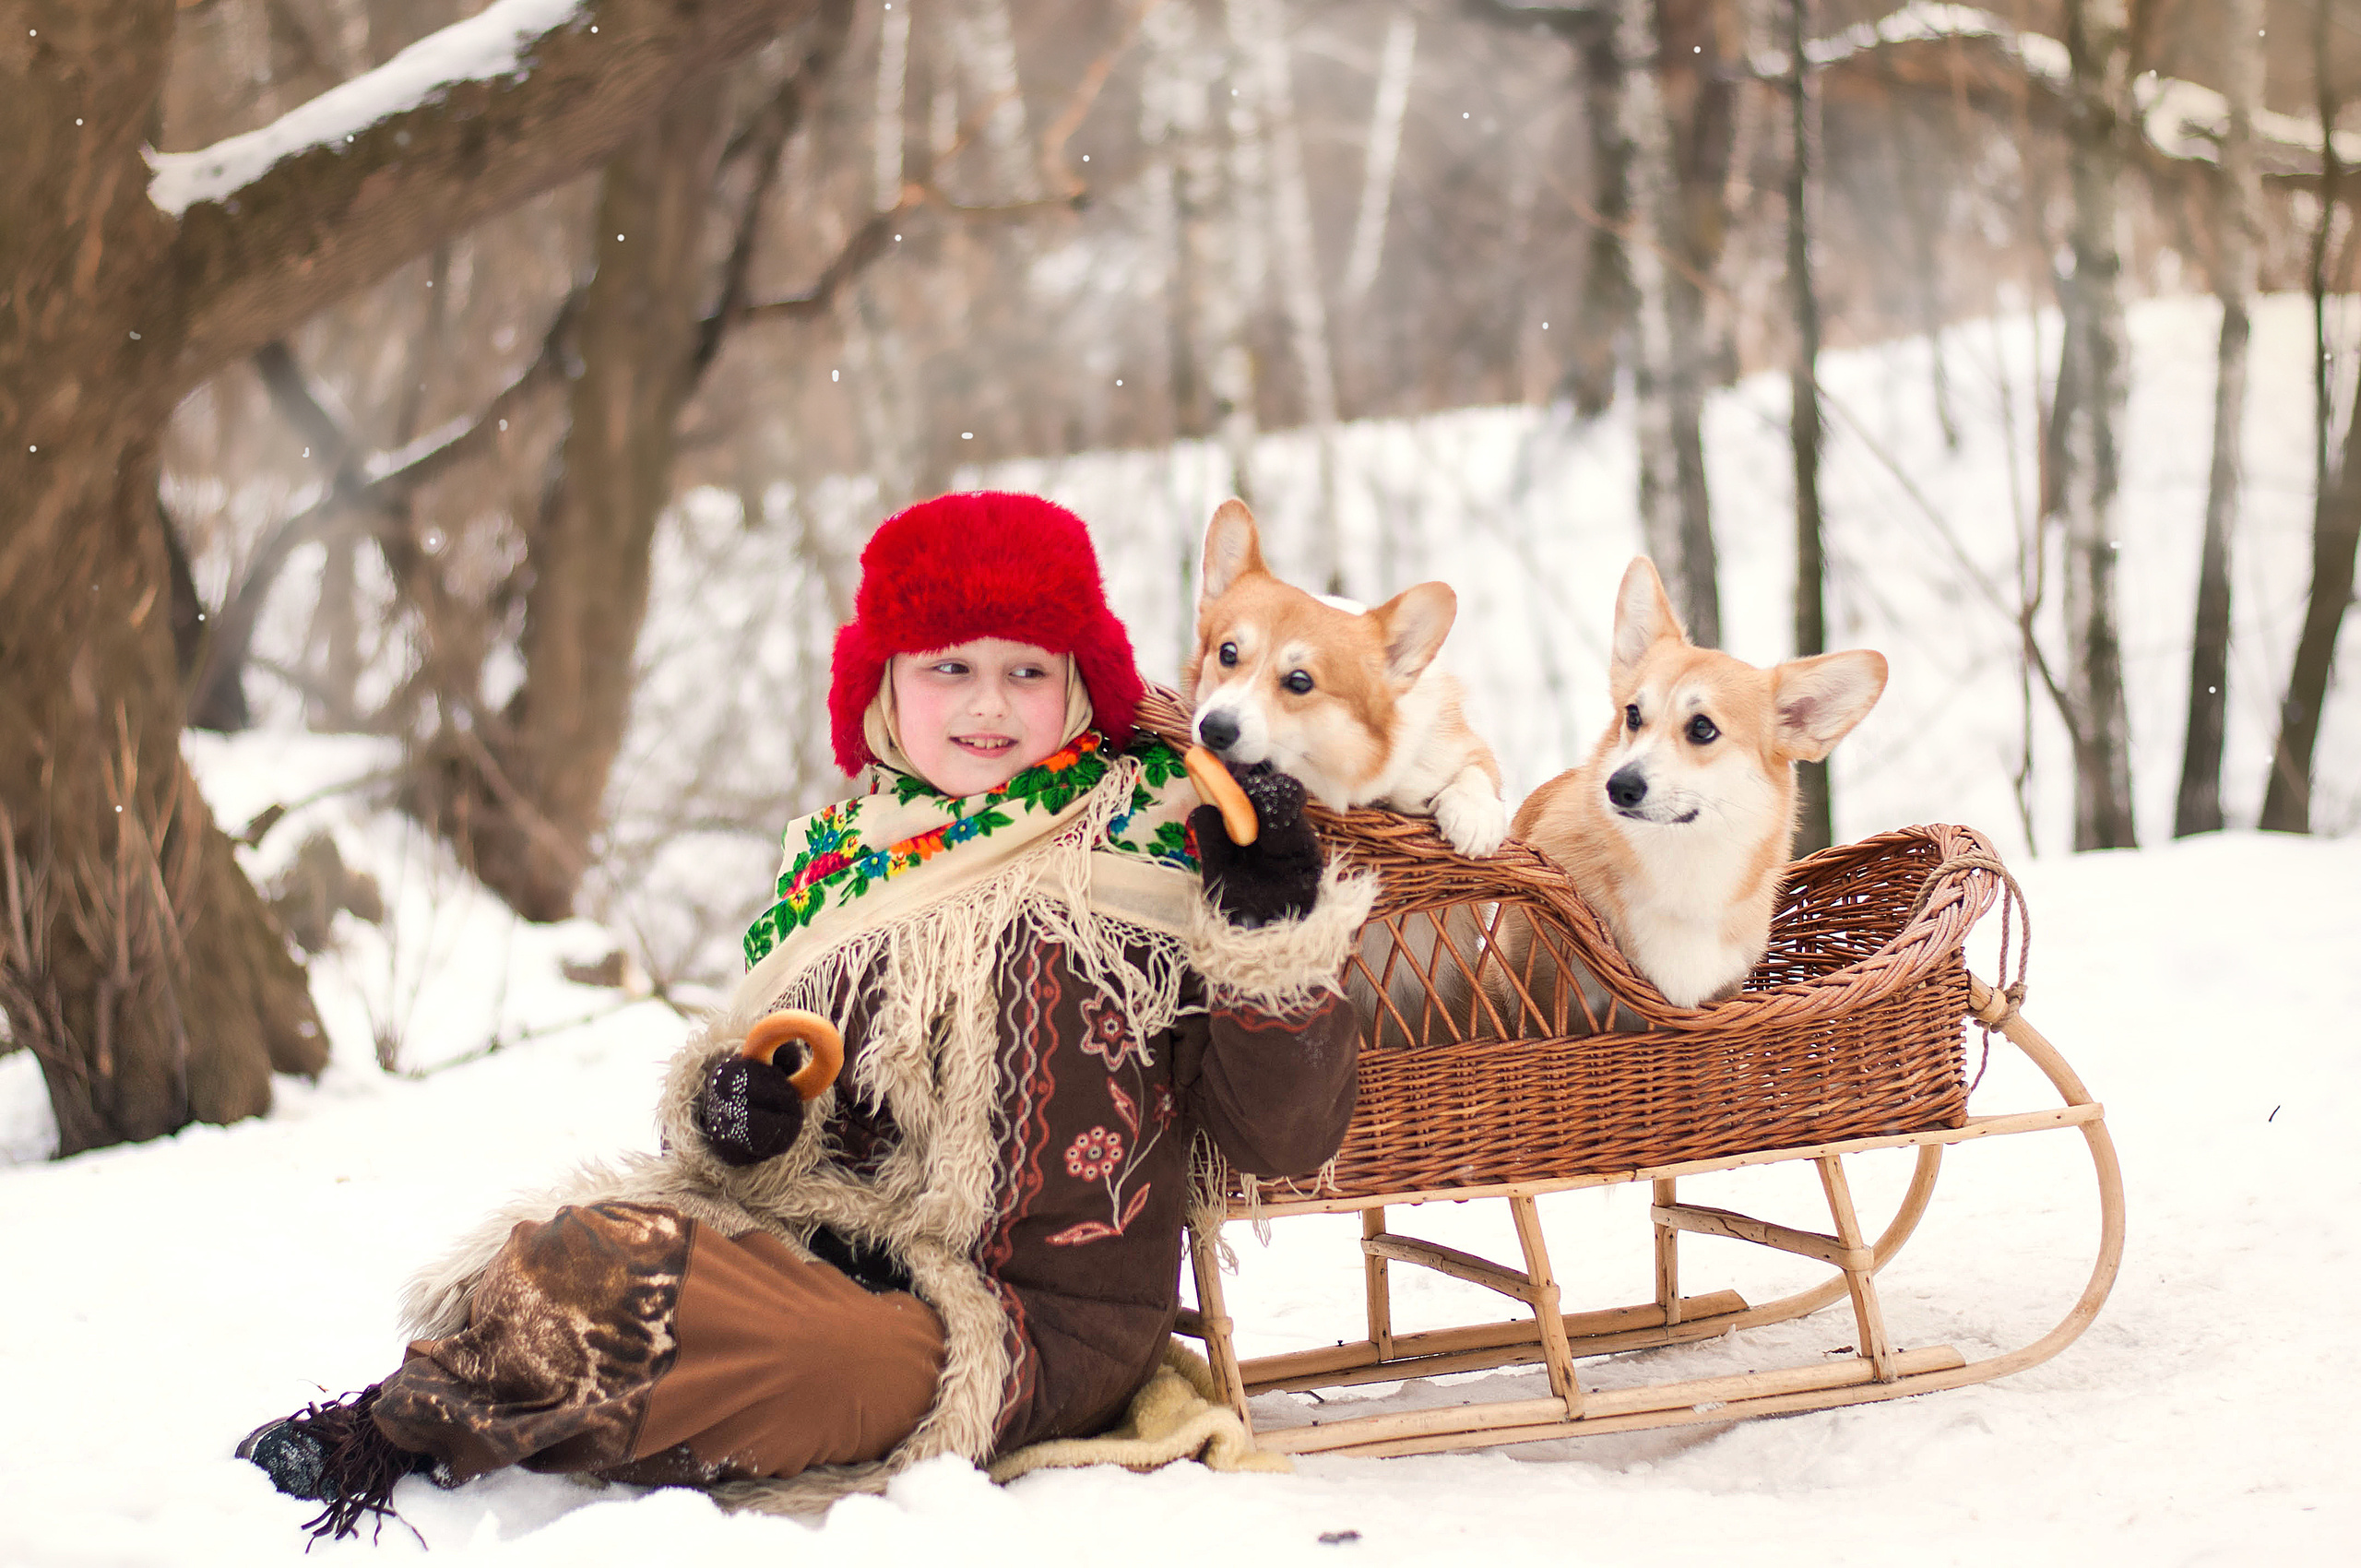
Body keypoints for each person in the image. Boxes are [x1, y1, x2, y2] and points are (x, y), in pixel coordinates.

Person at [239, 491, 1372, 1538]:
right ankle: (449, 1391)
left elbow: (1284, 1135)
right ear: (885, 688)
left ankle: (484, 1402)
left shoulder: (1154, 839)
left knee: (749, 1342)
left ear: (1082, 681)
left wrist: (1271, 923)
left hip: (1022, 1319)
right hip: (822, 1253)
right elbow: (751, 1142)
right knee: (585, 1254)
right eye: (950, 666)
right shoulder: (839, 862)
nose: (989, 704)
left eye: (1029, 668)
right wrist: (739, 1110)